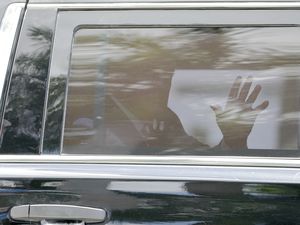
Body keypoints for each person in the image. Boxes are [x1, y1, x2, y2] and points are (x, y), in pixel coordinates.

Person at [138, 75, 269, 153]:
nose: (160, 87)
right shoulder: (119, 130)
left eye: (165, 81)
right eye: (149, 79)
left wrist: (234, 142)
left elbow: (202, 176)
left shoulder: (168, 124)